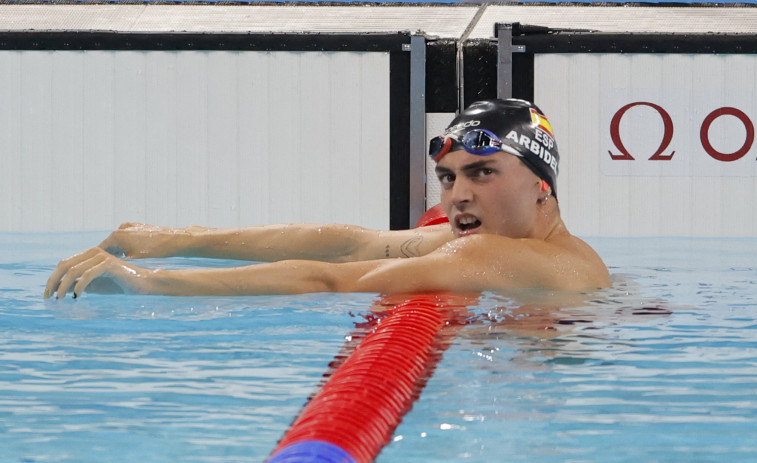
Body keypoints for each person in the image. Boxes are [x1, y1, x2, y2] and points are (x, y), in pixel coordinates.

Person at [45, 98, 609, 300]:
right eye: (446, 177)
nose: (457, 195)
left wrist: (152, 283)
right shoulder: (507, 243)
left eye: (481, 173)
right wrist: (171, 241)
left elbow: (332, 281)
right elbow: (353, 245)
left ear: (542, 184)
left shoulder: (497, 255)